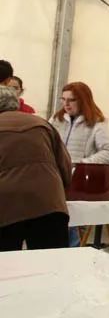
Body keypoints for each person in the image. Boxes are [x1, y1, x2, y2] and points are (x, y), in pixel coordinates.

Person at [0, 86, 71, 250]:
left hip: (5, 206)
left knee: (5, 263)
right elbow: (64, 164)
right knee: (52, 261)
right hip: (48, 202)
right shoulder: (41, 123)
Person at [49, 81, 109, 247]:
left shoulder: (97, 123)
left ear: (83, 100)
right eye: (63, 99)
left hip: (79, 181)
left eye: (71, 100)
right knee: (56, 220)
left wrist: (83, 164)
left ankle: (73, 253)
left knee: (77, 224)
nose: (66, 104)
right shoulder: (55, 120)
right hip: (55, 178)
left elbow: (107, 150)